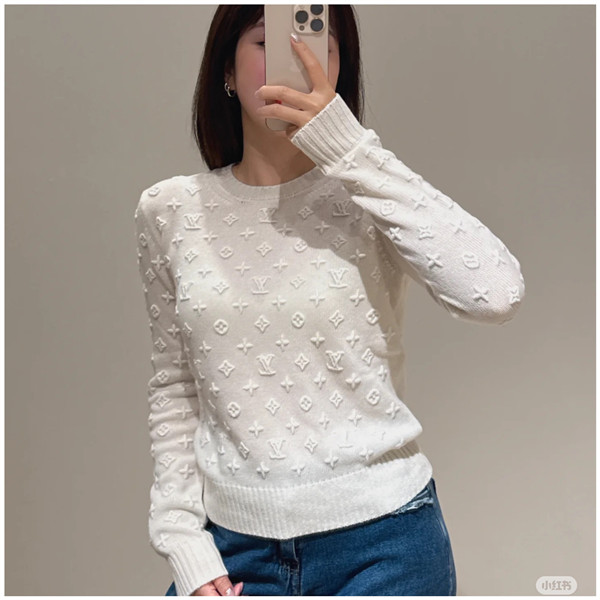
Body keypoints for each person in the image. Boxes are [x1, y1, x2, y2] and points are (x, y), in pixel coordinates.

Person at [134, 5, 525, 597]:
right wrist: (183, 540)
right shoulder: (169, 210)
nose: (295, 58)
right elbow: (175, 386)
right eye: (267, 42)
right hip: (234, 552)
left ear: (341, 70)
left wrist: (348, 148)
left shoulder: (369, 192)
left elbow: (496, 294)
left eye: (317, 42)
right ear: (226, 71)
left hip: (387, 549)